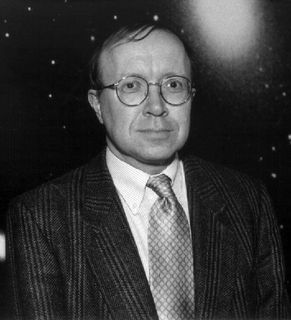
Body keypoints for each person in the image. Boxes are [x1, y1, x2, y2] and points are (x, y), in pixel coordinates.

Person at [7, 22, 290, 320]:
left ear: (191, 97)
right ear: (97, 106)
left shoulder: (246, 200)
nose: (156, 106)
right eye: (131, 85)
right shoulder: (41, 218)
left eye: (173, 84)